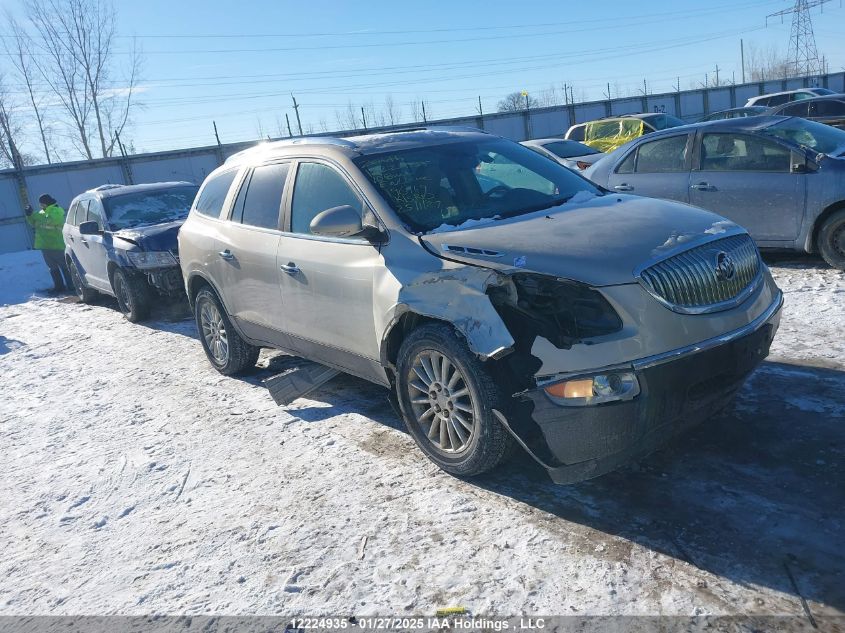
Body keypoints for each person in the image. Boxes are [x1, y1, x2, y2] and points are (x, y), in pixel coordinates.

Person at [25, 194, 72, 293]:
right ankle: (59, 286)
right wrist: (29, 214)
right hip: (45, 246)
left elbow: (49, 220)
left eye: (41, 204)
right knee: (52, 267)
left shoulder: (56, 210)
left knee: (64, 266)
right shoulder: (43, 212)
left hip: (57, 245)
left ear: (46, 202)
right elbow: (33, 222)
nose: (40, 206)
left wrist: (35, 215)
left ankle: (72, 285)